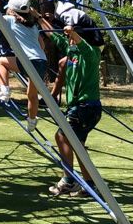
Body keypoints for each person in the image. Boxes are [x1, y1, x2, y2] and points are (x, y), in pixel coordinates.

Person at [35, 11, 102, 197]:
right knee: (77, 145)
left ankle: (69, 180)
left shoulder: (91, 53)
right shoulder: (72, 52)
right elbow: (54, 36)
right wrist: (38, 18)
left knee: (62, 137)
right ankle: (90, 185)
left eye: (72, 38)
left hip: (87, 107)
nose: (70, 41)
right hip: (80, 107)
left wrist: (73, 33)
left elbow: (83, 45)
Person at [0, 0, 47, 130]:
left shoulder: (9, 20)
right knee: (32, 95)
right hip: (41, 61)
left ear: (11, 9)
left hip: (27, 60)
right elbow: (42, 45)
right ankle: (32, 122)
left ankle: (4, 90)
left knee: (0, 62)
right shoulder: (33, 25)